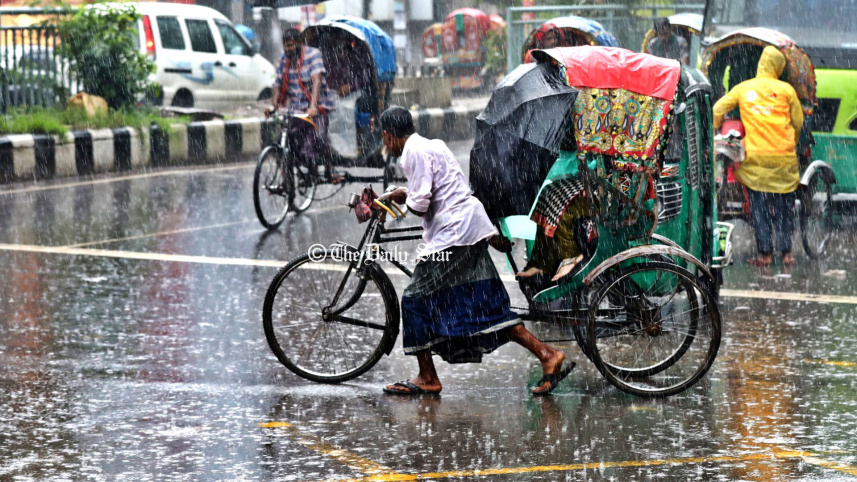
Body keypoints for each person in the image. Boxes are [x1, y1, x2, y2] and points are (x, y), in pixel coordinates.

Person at [379, 106, 575, 396]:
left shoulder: (412, 152)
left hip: (454, 234)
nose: (385, 144)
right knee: (486, 306)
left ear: (388, 135)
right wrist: (404, 193)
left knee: (414, 299)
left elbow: (420, 205)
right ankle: (547, 354)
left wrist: (399, 202)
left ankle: (427, 376)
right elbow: (441, 190)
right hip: (469, 227)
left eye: (384, 139)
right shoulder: (432, 145)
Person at [713, 46, 804, 266]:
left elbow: (717, 109)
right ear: (778, 67)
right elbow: (798, 122)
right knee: (784, 208)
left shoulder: (744, 88)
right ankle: (786, 254)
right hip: (784, 160)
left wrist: (717, 129)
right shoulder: (787, 90)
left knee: (759, 208)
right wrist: (791, 142)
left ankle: (765, 254)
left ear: (761, 64)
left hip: (755, 160)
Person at [267, 29, 340, 182]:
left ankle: (329, 166)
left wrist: (313, 106)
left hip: (318, 106)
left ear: (300, 43)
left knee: (319, 138)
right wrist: (274, 106)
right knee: (283, 141)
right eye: (285, 46)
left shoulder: (313, 54)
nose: (288, 49)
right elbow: (277, 83)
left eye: (291, 45)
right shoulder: (283, 59)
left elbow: (316, 81)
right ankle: (287, 180)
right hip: (296, 108)